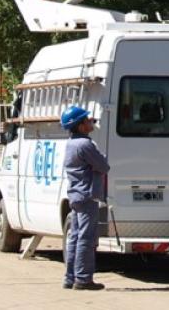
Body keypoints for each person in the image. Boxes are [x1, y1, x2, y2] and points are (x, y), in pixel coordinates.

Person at [61, 106, 109, 291]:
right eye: (88, 120)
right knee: (86, 239)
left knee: (75, 237)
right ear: (81, 126)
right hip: (87, 195)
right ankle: (83, 279)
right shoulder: (85, 145)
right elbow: (103, 166)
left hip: (76, 194)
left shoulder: (71, 143)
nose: (92, 122)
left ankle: (70, 277)